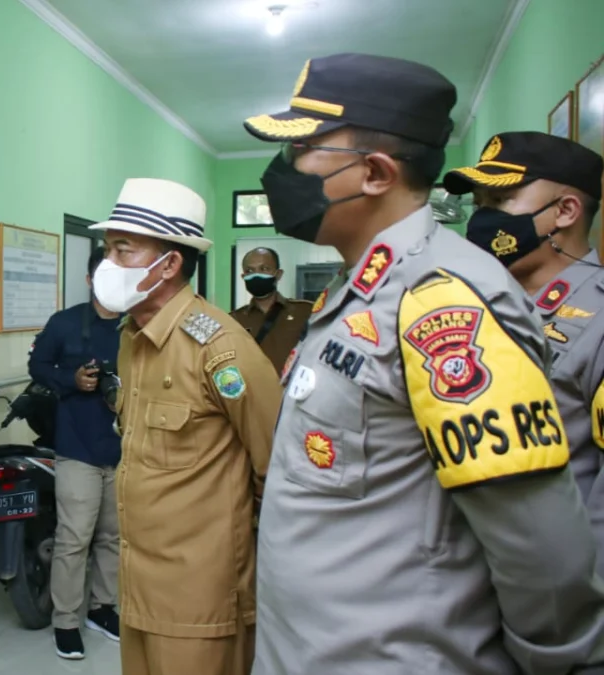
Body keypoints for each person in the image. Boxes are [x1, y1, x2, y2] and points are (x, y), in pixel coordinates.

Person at [244, 53, 604, 673]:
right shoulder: (359, 287)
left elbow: (538, 545)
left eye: (302, 150)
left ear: (376, 173)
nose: (284, 171)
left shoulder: (446, 301)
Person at [89, 178, 281, 675]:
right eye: (107, 249)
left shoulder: (221, 349)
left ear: (170, 264)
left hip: (201, 595)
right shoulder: (132, 338)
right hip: (139, 582)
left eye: (122, 249)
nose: (107, 263)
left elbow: (278, 472)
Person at [444, 131, 604, 568]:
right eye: (478, 204)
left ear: (566, 211)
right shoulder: (476, 302)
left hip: (553, 583)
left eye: (500, 202)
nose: (481, 220)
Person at [28, 246, 122, 660]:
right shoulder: (64, 323)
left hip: (124, 448)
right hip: (77, 449)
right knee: (73, 540)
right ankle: (65, 620)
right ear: (89, 280)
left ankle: (102, 608)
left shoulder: (137, 325)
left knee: (114, 537)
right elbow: (37, 366)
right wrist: (72, 379)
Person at [230, 247, 311, 374]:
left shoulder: (305, 312)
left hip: (294, 390)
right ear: (243, 276)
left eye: (264, 269)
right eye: (249, 271)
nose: (256, 275)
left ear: (278, 274)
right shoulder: (233, 320)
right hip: (255, 391)